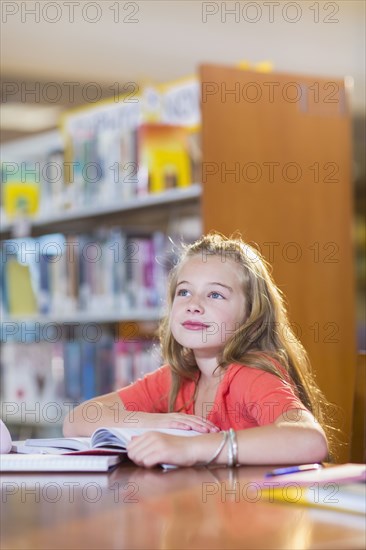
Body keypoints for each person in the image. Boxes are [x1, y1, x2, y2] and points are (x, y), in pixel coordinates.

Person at [63, 232, 332, 467]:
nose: (194, 304)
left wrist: (190, 448)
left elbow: (309, 440)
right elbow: (77, 420)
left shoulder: (248, 374)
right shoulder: (180, 375)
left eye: (215, 295)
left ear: (252, 314)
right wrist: (155, 422)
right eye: (183, 292)